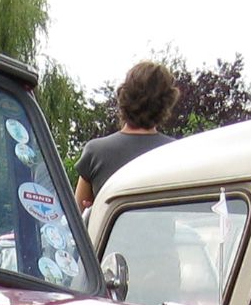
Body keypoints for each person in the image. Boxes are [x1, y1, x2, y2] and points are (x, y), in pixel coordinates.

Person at [74, 61, 181, 210]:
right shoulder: (176, 153)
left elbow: (78, 214)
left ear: (123, 95)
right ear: (167, 102)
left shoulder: (96, 152)